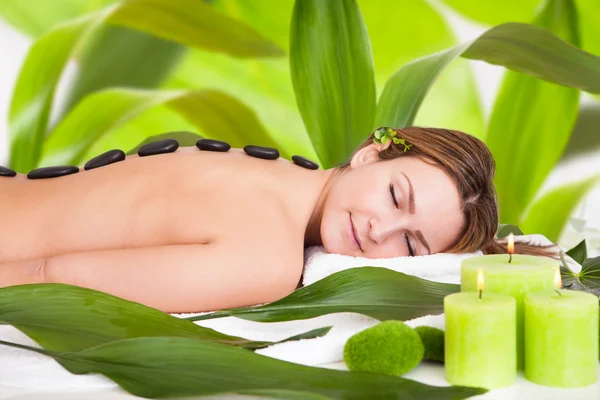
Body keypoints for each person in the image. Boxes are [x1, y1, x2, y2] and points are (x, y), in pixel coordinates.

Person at [0, 126, 555, 313]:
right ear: (370, 152)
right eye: (395, 195)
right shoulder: (267, 261)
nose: (379, 230)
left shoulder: (273, 170)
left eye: (411, 246)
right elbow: (49, 280)